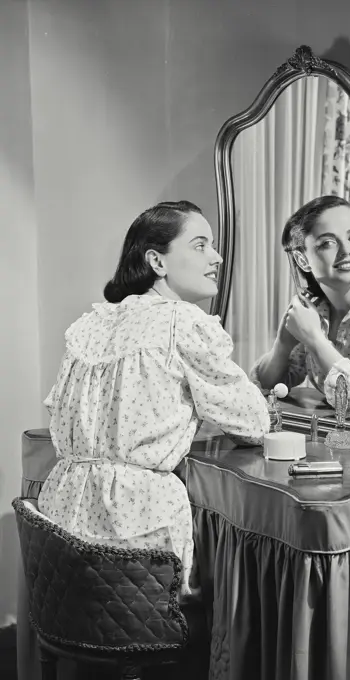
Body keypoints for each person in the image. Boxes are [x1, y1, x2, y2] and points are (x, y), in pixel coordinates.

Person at [38, 200, 270, 594]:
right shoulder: (182, 322)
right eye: (200, 245)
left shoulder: (90, 324)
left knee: (83, 629)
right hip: (134, 522)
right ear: (157, 262)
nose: (217, 257)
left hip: (63, 511)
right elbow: (253, 421)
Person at [250, 195, 350, 423]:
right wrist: (283, 344)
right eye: (328, 243)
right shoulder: (315, 309)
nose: (346, 250)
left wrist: (316, 341)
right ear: (302, 260)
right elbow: (268, 387)